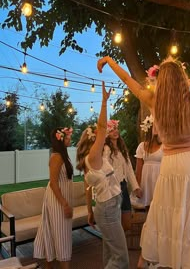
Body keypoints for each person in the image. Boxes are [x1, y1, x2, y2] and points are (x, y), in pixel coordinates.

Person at [97, 55, 190, 269]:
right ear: (182, 79)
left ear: (161, 81)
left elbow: (127, 79)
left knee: (168, 213)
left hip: (171, 165)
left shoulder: (153, 101)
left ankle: (150, 259)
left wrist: (109, 60)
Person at [76, 82, 129, 269]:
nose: (103, 137)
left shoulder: (95, 158)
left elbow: (88, 189)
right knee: (121, 257)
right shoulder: (94, 156)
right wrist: (104, 102)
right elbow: (101, 127)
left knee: (110, 251)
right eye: (98, 137)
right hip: (107, 208)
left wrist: (90, 211)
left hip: (107, 205)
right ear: (94, 140)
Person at [34, 127, 73, 269]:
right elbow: (53, 183)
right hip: (57, 201)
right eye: (68, 137)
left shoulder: (63, 156)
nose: (70, 139)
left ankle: (49, 266)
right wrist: (64, 203)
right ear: (60, 140)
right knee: (61, 235)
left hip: (62, 199)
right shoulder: (56, 157)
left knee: (58, 233)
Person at [103, 119, 142, 231]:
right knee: (115, 222)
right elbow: (104, 169)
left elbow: (129, 169)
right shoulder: (106, 149)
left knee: (126, 221)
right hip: (112, 189)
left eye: (116, 128)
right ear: (107, 133)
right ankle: (117, 246)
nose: (115, 131)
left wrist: (136, 187)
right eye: (111, 130)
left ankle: (122, 244)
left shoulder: (122, 148)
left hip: (123, 186)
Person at [131, 114, 163, 212]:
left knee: (160, 207)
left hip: (159, 177)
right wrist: (137, 186)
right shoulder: (141, 146)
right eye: (155, 125)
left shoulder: (165, 145)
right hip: (146, 180)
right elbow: (138, 169)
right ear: (149, 128)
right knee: (148, 207)